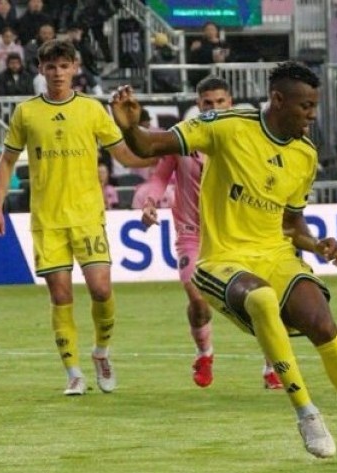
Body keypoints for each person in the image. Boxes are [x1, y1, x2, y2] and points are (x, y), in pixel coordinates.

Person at [108, 61, 337, 460]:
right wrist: (131, 126)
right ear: (278, 100)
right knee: (262, 298)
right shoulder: (227, 126)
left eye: (314, 106)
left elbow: (292, 224)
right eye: (305, 106)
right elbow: (149, 146)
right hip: (221, 260)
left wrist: (317, 244)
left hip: (275, 255)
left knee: (323, 324)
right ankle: (306, 412)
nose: (312, 115)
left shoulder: (304, 154)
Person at [0, 39, 152, 396]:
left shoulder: (92, 109)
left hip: (87, 216)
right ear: (41, 70)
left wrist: (168, 152)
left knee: (101, 289)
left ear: (75, 68)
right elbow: (8, 160)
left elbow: (125, 156)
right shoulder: (26, 112)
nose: (58, 73)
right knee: (61, 296)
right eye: (51, 67)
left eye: (64, 66)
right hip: (47, 220)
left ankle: (101, 352)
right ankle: (73, 372)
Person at [137, 76, 283, 390]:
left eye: (220, 102)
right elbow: (160, 177)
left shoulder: (247, 137)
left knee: (259, 300)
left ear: (230, 103)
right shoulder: (183, 137)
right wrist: (150, 202)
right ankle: (204, 353)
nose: (214, 108)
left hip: (237, 235)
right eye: (207, 103)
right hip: (193, 235)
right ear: (198, 105)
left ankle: (272, 367)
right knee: (198, 301)